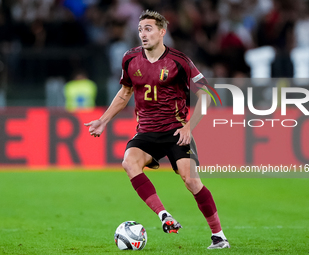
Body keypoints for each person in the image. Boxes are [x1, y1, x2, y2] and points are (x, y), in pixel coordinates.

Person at [84, 10, 230, 249]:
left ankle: (219, 236)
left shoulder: (180, 61)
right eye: (141, 29)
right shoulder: (130, 59)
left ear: (163, 32)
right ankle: (165, 216)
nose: (143, 34)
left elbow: (207, 94)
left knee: (191, 181)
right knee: (129, 162)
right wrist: (103, 120)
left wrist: (188, 127)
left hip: (175, 131)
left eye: (149, 29)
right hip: (147, 132)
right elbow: (125, 93)